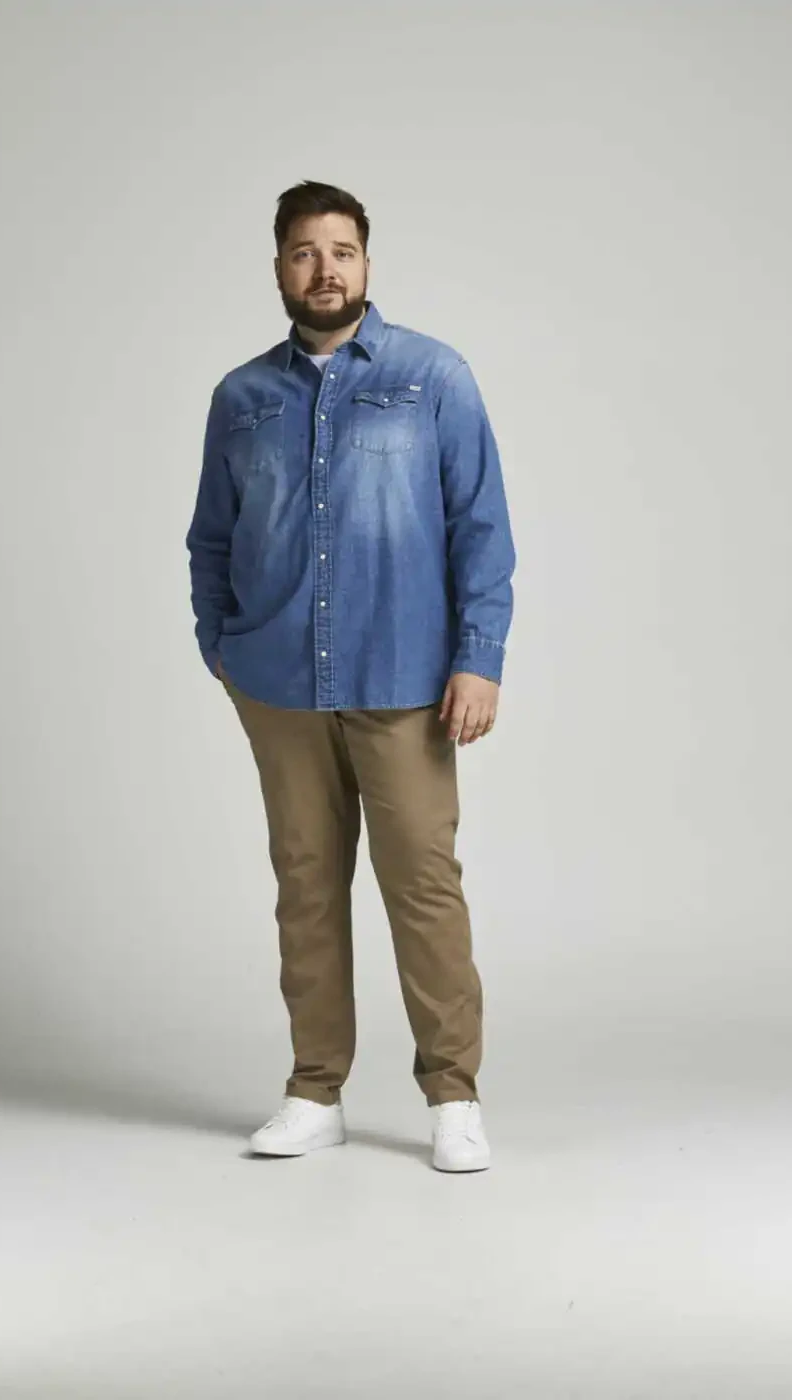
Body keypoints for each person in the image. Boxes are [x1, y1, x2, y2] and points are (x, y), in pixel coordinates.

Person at [185, 180, 516, 1172]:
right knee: (305, 889)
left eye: (341, 250)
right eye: (303, 252)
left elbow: (480, 525)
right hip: (278, 684)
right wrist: (222, 645)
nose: (324, 269)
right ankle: (314, 1089)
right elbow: (211, 538)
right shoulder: (241, 397)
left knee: (423, 887)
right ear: (279, 269)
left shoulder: (432, 376)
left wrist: (478, 657)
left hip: (405, 678)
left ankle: (452, 1094)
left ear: (367, 263)